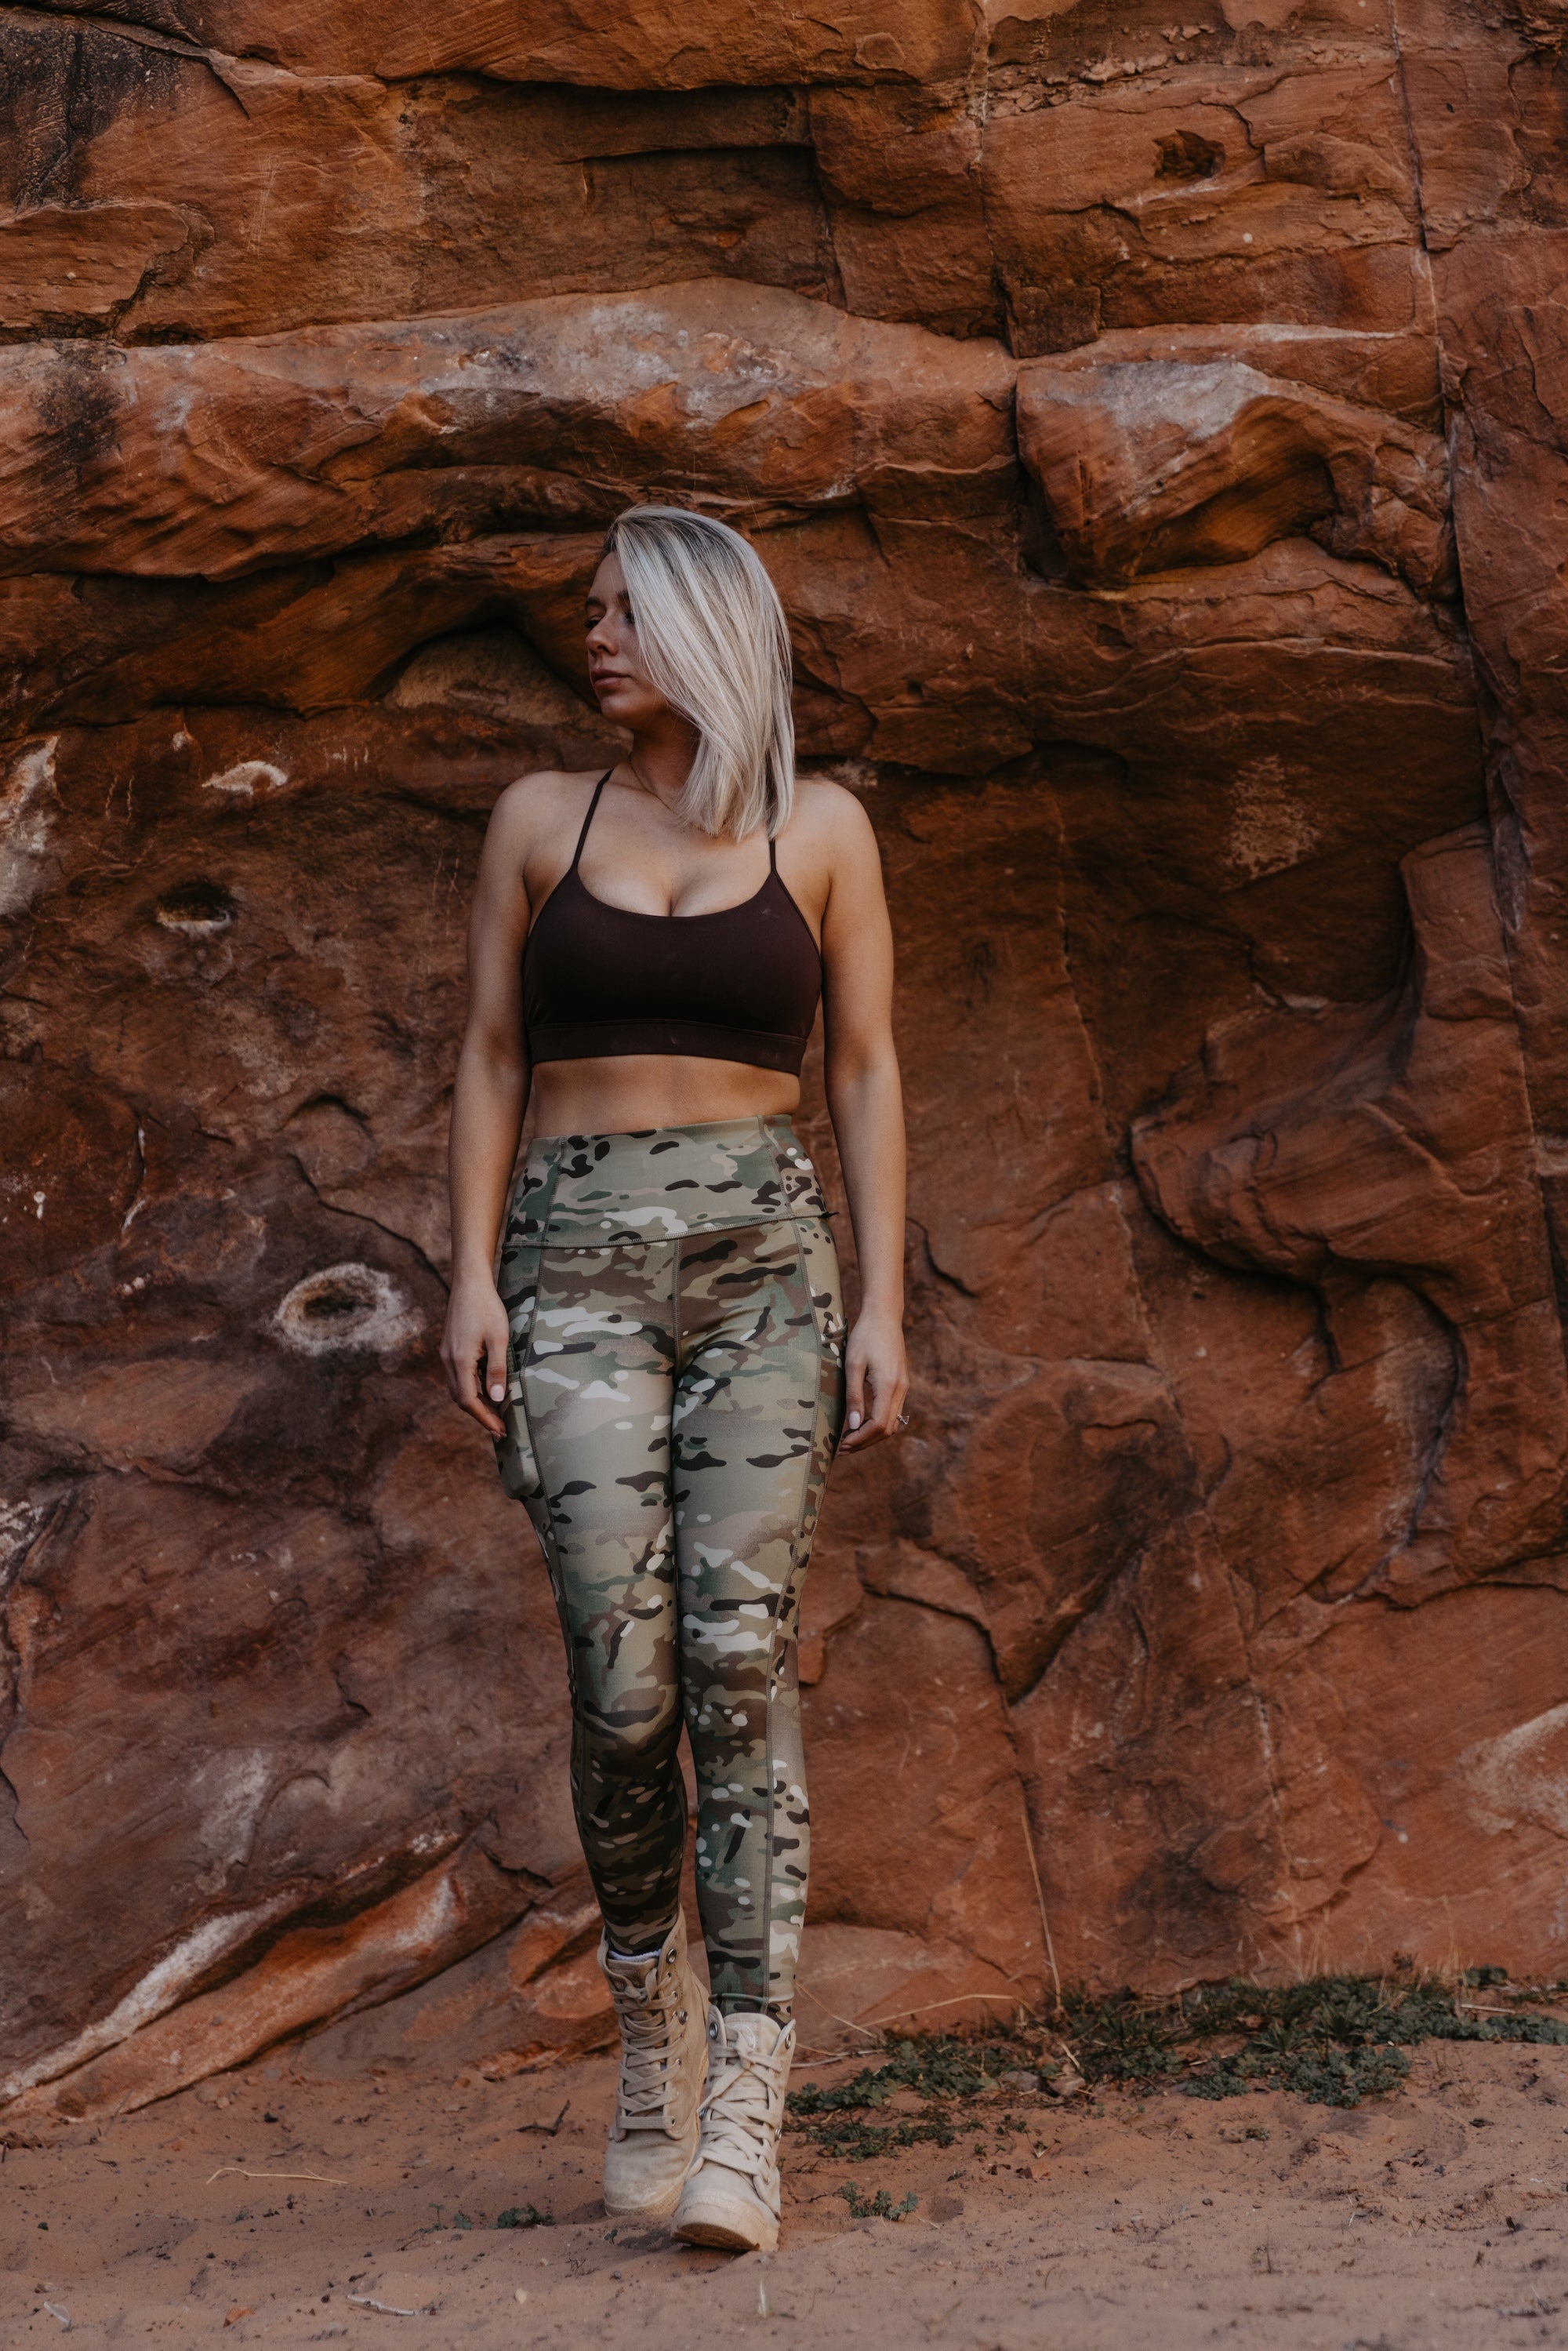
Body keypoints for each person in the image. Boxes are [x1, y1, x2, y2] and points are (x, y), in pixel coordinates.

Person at [441, 505, 908, 2254]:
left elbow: (861, 1069)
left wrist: (876, 1302)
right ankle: (654, 2012)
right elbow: (490, 1050)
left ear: (710, 628)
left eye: (626, 610)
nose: (597, 634)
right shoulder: (532, 823)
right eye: (588, 609)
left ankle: (745, 2100)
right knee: (618, 1671)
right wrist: (469, 1268)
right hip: (570, 1259)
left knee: (737, 1663)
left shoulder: (827, 829)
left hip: (764, 1274)